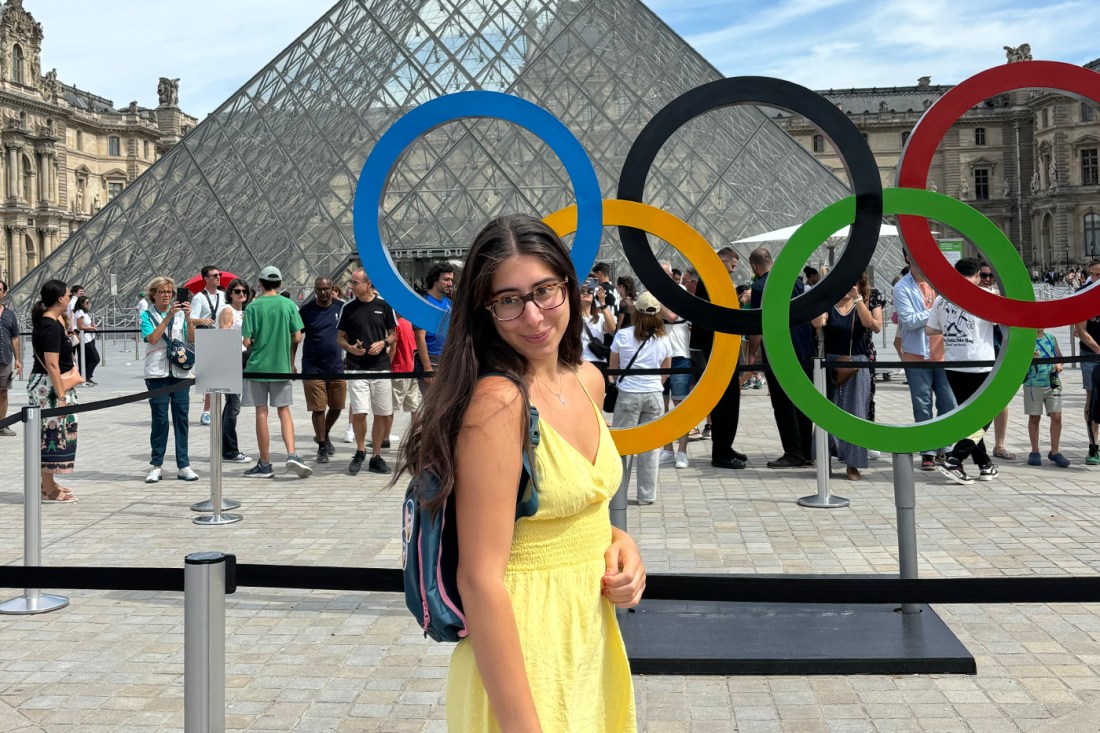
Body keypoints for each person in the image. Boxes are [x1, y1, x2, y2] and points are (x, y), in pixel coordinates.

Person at [395, 213, 643, 730]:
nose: (533, 316)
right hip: (524, 655)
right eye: (509, 300)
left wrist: (620, 541)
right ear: (485, 312)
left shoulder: (588, 381)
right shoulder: (498, 403)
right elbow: (480, 578)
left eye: (545, 291)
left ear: (570, 289)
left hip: (587, 641)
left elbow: (568, 509)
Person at [925, 258, 999, 484]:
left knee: (970, 417)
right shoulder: (985, 297)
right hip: (980, 364)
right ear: (977, 275)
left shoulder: (942, 299)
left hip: (954, 365)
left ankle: (985, 465)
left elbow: (930, 330)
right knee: (984, 416)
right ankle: (954, 459)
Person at [241, 266, 312, 479]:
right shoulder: (289, 305)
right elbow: (298, 337)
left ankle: (264, 463)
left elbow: (246, 341)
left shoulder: (253, 307)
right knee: (284, 411)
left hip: (257, 367)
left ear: (260, 284)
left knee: (261, 413)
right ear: (280, 284)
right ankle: (292, 454)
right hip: (281, 366)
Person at [747, 247, 815, 468]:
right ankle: (806, 451)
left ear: (755, 267)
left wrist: (751, 355)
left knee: (782, 403)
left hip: (778, 351)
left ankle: (792, 452)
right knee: (804, 402)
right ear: (772, 261)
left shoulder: (758, 287)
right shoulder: (795, 281)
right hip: (803, 347)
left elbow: (758, 325)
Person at [812, 272, 881, 480]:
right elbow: (817, 323)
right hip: (831, 362)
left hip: (857, 362)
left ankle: (853, 464)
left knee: (856, 412)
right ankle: (825, 458)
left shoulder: (865, 300)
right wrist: (823, 298)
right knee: (827, 412)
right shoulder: (829, 303)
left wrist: (857, 299)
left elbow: (873, 325)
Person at [894, 250, 956, 470]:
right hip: (916, 353)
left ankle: (946, 447)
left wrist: (932, 313)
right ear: (908, 258)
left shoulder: (941, 283)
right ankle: (927, 450)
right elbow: (909, 321)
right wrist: (935, 313)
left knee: (948, 402)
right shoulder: (901, 287)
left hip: (943, 352)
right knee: (922, 404)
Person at [610, 291, 672, 503]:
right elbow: (666, 370)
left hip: (628, 394)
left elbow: (613, 368)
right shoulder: (664, 338)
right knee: (650, 449)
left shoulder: (623, 335)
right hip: (654, 394)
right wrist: (655, 384)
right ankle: (646, 495)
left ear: (635, 312)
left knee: (622, 447)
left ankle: (618, 495)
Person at [338, 268, 397, 475]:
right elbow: (340, 338)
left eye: (355, 283)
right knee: (360, 411)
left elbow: (393, 335)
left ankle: (376, 455)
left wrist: (382, 343)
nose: (351, 287)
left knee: (382, 412)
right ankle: (360, 449)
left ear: (368, 284)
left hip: (380, 366)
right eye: (351, 283)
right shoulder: (348, 308)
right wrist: (350, 349)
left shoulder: (384, 305)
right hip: (356, 367)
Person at [140, 276, 198, 483]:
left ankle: (184, 464)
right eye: (162, 292)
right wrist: (168, 318)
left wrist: (189, 318)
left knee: (182, 419)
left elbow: (192, 338)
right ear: (153, 294)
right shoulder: (146, 315)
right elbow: (153, 338)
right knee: (160, 419)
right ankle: (156, 465)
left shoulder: (182, 315)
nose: (166, 295)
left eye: (169, 292)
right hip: (157, 374)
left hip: (180, 373)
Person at [29, 280, 79, 502]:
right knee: (50, 435)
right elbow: (52, 364)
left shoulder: (53, 321)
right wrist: (60, 396)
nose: (70, 298)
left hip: (51, 383)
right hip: (49, 387)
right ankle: (48, 489)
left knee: (54, 434)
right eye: (68, 295)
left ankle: (47, 482)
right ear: (60, 298)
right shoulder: (49, 325)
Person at [294, 277, 346, 465]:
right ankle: (322, 445)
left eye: (326, 289)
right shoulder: (306, 311)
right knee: (318, 408)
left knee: (338, 406)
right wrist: (292, 362)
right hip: (312, 365)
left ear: (332, 289)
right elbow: (296, 337)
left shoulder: (341, 308)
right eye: (319, 289)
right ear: (315, 289)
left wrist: (351, 356)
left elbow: (350, 333)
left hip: (336, 365)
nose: (323, 292)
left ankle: (324, 433)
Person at [217, 278, 252, 464]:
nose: (241, 294)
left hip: (238, 360)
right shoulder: (228, 310)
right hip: (230, 361)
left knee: (231, 406)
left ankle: (225, 447)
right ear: (230, 293)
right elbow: (225, 335)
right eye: (237, 291)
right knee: (233, 406)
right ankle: (230, 451)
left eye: (244, 291)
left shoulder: (241, 312)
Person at [1023, 328, 1068, 467]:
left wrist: (1059, 365)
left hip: (1052, 382)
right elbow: (1018, 362)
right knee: (1034, 417)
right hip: (1033, 384)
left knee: (1056, 416)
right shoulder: (1025, 341)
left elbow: (1060, 357)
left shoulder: (1051, 338)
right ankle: (1035, 450)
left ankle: (1055, 451)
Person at [190, 266, 226, 426]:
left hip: (222, 337)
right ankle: (207, 410)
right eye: (214, 275)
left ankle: (214, 408)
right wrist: (201, 321)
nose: (218, 277)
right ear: (206, 278)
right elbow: (191, 319)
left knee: (219, 376)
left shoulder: (224, 296)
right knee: (211, 376)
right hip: (206, 338)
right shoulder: (199, 298)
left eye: (219, 275)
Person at [1074, 259, 1100, 465]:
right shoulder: (1084, 295)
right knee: (1092, 399)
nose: (1094, 279)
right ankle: (1093, 446)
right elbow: (1080, 330)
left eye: (1098, 275)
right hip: (1091, 355)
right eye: (1092, 274)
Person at [414, 262, 454, 397]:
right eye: (446, 279)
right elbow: (420, 337)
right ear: (435, 280)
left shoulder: (449, 303)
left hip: (448, 360)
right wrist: (427, 368)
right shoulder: (424, 303)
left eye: (451, 280)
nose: (450, 283)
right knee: (434, 408)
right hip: (432, 361)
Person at [0, 279, 21, 437]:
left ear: (5, 292)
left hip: (5, 359)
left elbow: (15, 338)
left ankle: (2, 424)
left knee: (3, 393)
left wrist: (18, 360)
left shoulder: (9, 315)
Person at [390, 311, 422, 416]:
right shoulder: (410, 324)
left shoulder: (396, 325)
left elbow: (393, 351)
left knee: (390, 407)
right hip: (412, 368)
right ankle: (416, 431)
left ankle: (386, 432)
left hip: (398, 368)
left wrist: (386, 366)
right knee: (414, 406)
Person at [579, 277, 615, 368]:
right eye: (582, 291)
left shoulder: (600, 318)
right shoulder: (572, 318)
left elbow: (612, 328)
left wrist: (602, 302)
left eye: (589, 291)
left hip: (598, 362)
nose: (586, 293)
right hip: (580, 362)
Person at [71, 295, 100, 386]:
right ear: (81, 303)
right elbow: (80, 326)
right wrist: (91, 327)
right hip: (85, 339)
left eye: (88, 302)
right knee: (95, 358)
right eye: (86, 303)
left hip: (89, 337)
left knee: (88, 359)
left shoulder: (84, 312)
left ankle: (85, 377)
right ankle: (86, 376)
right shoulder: (79, 312)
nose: (88, 304)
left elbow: (86, 323)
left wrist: (92, 325)